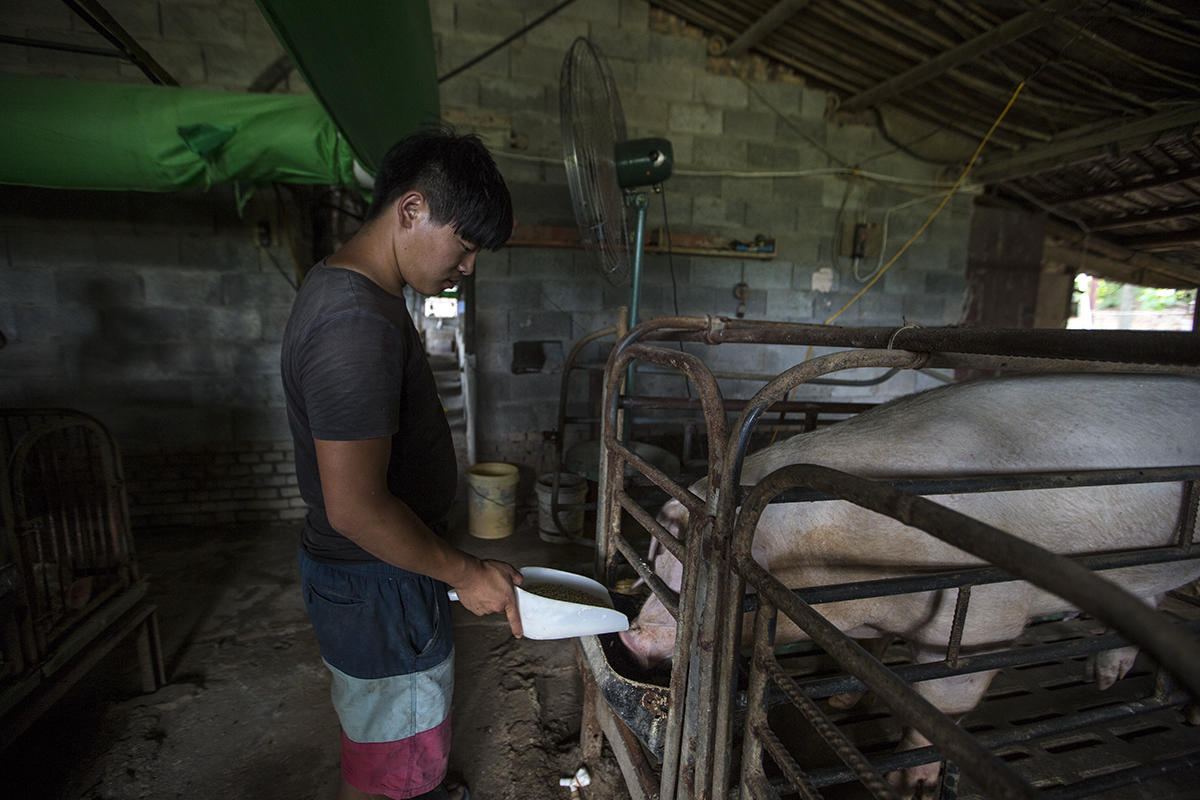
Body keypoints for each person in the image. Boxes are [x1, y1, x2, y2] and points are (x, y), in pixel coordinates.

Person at [281, 127, 520, 800]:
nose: (467, 267)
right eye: (464, 246)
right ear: (410, 211)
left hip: (386, 573)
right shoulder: (353, 323)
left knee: (392, 733)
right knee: (393, 757)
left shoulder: (359, 294)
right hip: (378, 581)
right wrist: (465, 572)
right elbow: (355, 507)